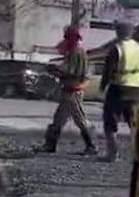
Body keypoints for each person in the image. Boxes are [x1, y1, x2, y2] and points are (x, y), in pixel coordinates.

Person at [35, 25, 98, 155]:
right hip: (69, 89)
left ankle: (92, 146)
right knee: (58, 119)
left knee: (80, 119)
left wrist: (55, 70)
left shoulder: (77, 51)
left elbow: (72, 71)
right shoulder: (75, 50)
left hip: (73, 90)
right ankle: (49, 145)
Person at [99, 21, 139, 161]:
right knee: (134, 123)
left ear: (118, 32)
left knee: (110, 120)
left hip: (118, 88)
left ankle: (112, 153)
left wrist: (102, 88)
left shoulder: (117, 48)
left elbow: (108, 71)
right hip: (137, 90)